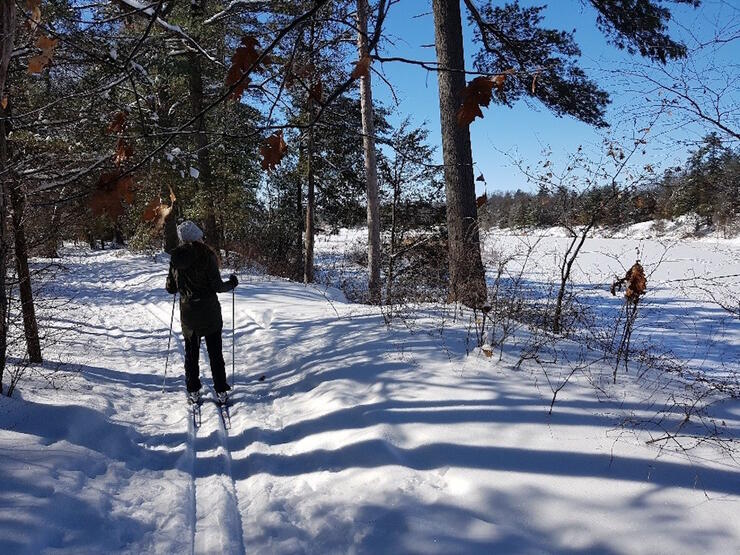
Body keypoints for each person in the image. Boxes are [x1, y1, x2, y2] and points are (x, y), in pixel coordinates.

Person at [166, 220, 238, 404]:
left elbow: (170, 288)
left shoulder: (176, 257)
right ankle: (221, 391)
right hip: (210, 312)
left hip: (188, 313)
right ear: (197, 236)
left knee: (191, 354)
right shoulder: (207, 255)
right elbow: (217, 286)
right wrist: (232, 283)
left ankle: (193, 391)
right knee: (215, 353)